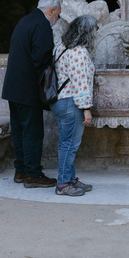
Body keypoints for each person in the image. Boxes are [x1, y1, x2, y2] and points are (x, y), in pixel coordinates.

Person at [1, 0, 61, 188]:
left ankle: (21, 170)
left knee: (19, 131)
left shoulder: (25, 21)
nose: (56, 20)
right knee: (32, 132)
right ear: (51, 11)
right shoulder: (42, 25)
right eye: (58, 15)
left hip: (13, 88)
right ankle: (33, 174)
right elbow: (41, 59)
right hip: (28, 89)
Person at [51, 15, 97, 196]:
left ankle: (70, 179)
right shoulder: (78, 53)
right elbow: (81, 83)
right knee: (69, 145)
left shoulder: (62, 47)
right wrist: (86, 109)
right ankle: (63, 184)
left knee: (66, 143)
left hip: (60, 101)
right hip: (71, 103)